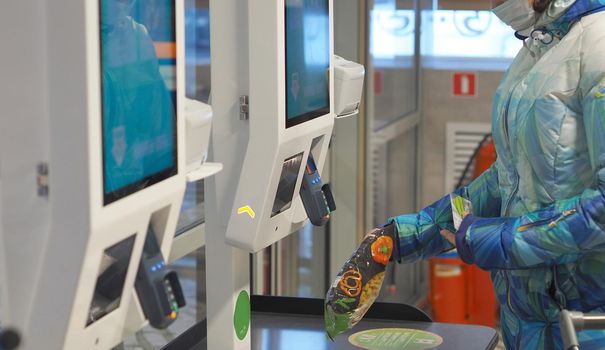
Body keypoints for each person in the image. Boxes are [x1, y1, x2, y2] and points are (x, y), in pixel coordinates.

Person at [386, 0, 605, 348]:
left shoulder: (598, 46)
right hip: (527, 318)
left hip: (583, 324)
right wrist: (412, 232)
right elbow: (509, 176)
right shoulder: (540, 47)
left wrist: (498, 239)